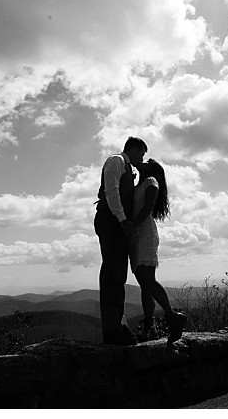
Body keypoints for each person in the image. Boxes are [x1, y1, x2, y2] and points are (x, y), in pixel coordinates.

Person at [94, 136, 147, 346]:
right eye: (141, 153)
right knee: (112, 275)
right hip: (111, 221)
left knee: (117, 275)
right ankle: (112, 331)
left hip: (114, 222)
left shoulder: (126, 166)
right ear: (133, 149)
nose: (142, 158)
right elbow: (112, 191)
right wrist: (123, 220)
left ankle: (117, 327)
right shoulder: (116, 161)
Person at [127, 158, 187, 343]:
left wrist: (133, 225)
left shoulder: (151, 182)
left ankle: (171, 316)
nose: (142, 163)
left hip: (144, 233)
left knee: (148, 279)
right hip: (137, 234)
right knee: (144, 284)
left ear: (151, 168)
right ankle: (150, 327)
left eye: (146, 162)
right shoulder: (141, 182)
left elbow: (147, 207)